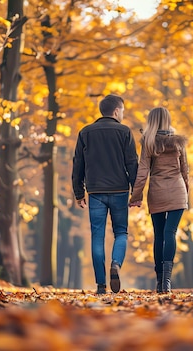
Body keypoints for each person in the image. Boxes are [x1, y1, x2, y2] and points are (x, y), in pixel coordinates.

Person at [72, 94, 138, 294]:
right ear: (117, 111)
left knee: (97, 236)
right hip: (119, 190)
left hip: (95, 192)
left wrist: (78, 192)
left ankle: (101, 285)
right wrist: (137, 191)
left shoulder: (85, 132)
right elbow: (132, 163)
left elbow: (78, 164)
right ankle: (116, 264)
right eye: (123, 111)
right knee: (121, 233)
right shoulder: (124, 132)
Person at [129, 107, 189, 293]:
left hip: (157, 192)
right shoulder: (179, 142)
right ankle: (167, 281)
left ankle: (160, 280)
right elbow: (185, 170)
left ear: (151, 120)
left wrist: (135, 196)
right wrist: (187, 194)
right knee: (171, 232)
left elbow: (142, 172)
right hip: (178, 191)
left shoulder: (148, 142)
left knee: (159, 235)